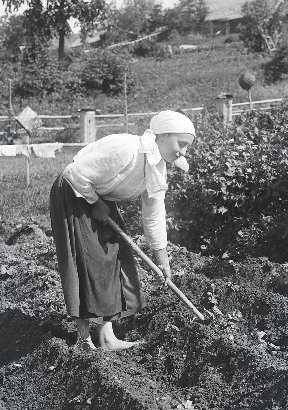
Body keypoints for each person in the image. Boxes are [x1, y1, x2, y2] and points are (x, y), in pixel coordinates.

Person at [49, 110, 195, 352]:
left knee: (115, 257)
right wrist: (95, 203)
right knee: (85, 260)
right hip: (73, 192)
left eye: (187, 147)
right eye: (181, 144)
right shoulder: (127, 148)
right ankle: (84, 339)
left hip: (99, 199)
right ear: (163, 134)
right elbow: (75, 173)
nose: (183, 152)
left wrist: (163, 262)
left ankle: (107, 337)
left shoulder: (157, 168)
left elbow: (154, 216)